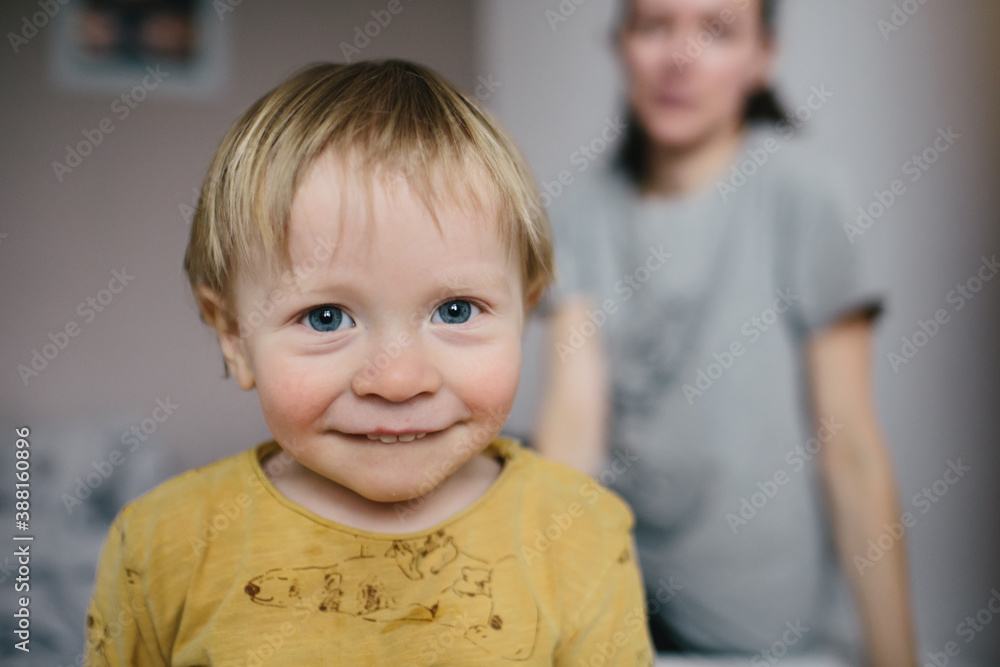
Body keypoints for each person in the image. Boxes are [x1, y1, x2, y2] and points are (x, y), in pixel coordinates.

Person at [84, 60, 654, 666]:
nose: (399, 381)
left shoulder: (582, 532)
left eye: (456, 310)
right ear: (233, 335)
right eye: (326, 317)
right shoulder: (161, 543)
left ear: (525, 311)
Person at [535, 0, 917, 664]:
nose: (679, 58)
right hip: (627, 622)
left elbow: (851, 446)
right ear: (622, 43)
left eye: (717, 31)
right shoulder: (579, 209)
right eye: (655, 26)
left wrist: (897, 658)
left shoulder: (803, 192)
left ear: (762, 57)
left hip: (771, 637)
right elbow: (572, 430)